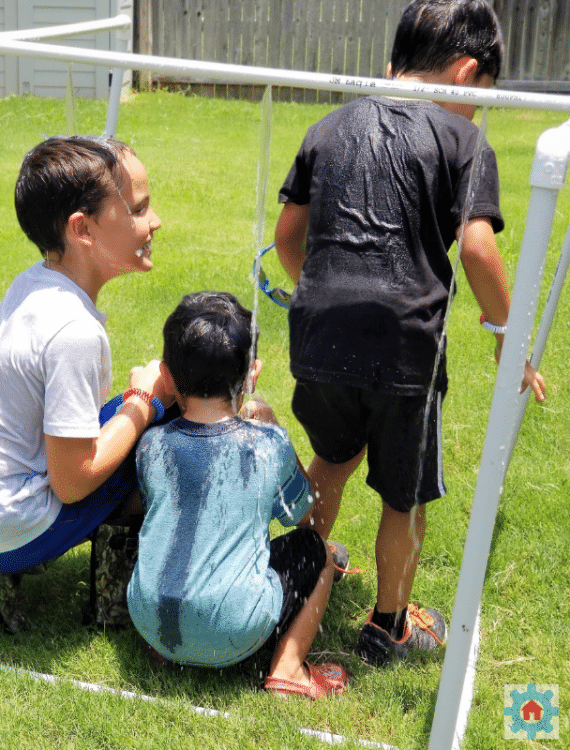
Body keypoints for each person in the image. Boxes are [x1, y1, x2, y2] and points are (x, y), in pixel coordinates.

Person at [273, 0, 546, 667]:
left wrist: (327, 289)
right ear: (467, 72)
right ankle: (389, 625)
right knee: (404, 492)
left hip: (318, 333)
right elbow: (477, 248)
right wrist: (508, 333)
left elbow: (287, 238)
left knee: (331, 458)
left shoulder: (328, 125)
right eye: (480, 97)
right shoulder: (465, 142)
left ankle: (294, 581)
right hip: (405, 347)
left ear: (393, 65)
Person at [0, 135, 169, 633]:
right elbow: (74, 479)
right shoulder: (74, 332)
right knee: (155, 440)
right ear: (82, 228)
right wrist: (147, 401)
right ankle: (114, 607)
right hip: (0, 530)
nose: (155, 222)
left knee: (118, 418)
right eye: (139, 209)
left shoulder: (32, 282)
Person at [127, 291, 349, 699]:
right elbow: (303, 516)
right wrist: (276, 427)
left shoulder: (150, 444)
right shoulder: (266, 445)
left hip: (150, 622)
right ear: (253, 374)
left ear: (167, 376)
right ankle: (288, 670)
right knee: (318, 550)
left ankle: (166, 649)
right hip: (231, 631)